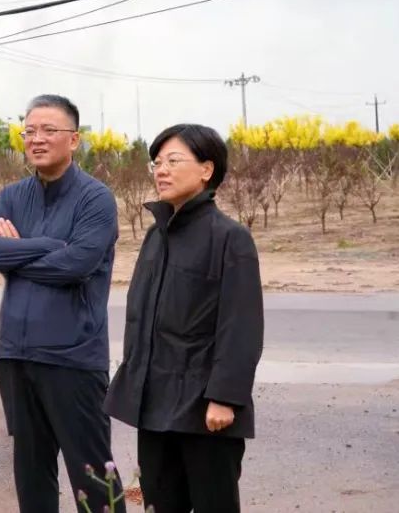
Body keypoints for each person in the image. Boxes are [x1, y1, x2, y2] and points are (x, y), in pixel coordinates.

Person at [0, 94, 125, 513]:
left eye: (48, 130)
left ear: (74, 139)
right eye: (29, 131)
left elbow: (77, 264)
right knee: (31, 472)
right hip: (16, 356)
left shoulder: (95, 198)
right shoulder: (12, 196)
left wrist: (18, 252)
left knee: (93, 475)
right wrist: (46, 245)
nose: (36, 139)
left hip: (72, 358)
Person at [104, 123, 264, 513]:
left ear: (207, 169)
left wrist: (224, 397)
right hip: (155, 404)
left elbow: (241, 325)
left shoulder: (230, 238)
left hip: (204, 409)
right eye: (157, 163)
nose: (161, 170)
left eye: (173, 161)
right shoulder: (155, 237)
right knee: (158, 504)